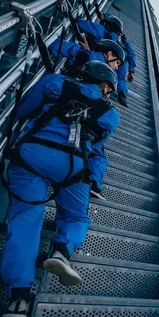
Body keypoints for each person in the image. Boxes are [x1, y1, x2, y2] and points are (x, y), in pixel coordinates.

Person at [0, 61, 120, 317]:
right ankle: (61, 252)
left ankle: (19, 298)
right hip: (74, 167)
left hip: (33, 155)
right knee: (76, 218)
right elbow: (96, 145)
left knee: (26, 219)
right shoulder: (112, 115)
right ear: (104, 84)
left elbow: (24, 111)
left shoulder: (55, 81)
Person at [47, 37, 126, 200]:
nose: (116, 67)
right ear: (109, 54)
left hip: (60, 111)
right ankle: (93, 183)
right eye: (117, 62)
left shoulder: (82, 55)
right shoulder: (94, 63)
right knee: (98, 153)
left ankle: (92, 181)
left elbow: (56, 46)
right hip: (83, 125)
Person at [77, 14, 136, 106]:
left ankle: (103, 92)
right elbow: (132, 54)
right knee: (118, 77)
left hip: (108, 58)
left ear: (107, 24)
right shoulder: (124, 40)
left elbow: (80, 24)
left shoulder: (102, 31)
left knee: (106, 71)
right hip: (123, 61)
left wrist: (88, 52)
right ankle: (121, 94)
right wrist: (131, 71)